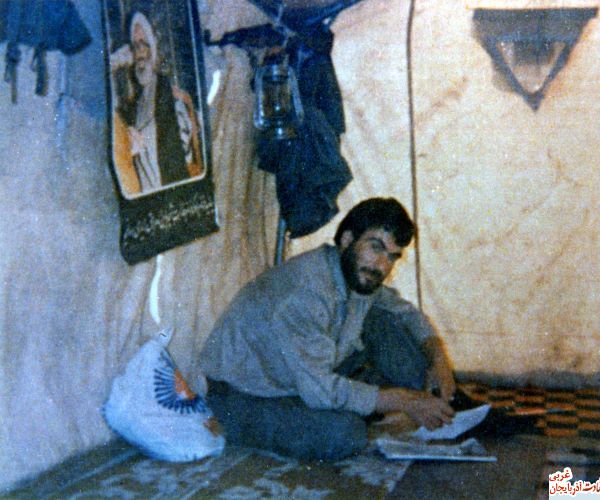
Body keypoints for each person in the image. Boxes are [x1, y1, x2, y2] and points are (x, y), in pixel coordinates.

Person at [199, 197, 457, 460]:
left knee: (388, 320)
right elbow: (320, 390)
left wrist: (438, 360)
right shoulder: (307, 291)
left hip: (305, 376)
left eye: (392, 256)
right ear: (347, 239)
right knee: (344, 434)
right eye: (376, 247)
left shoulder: (357, 273)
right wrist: (401, 400)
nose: (382, 266)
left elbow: (406, 313)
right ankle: (234, 426)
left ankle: (433, 404)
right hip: (247, 394)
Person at [109, 12, 202, 196]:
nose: (140, 52)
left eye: (144, 43)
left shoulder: (170, 95)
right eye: (135, 46)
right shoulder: (134, 105)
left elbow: (185, 162)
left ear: (153, 48)